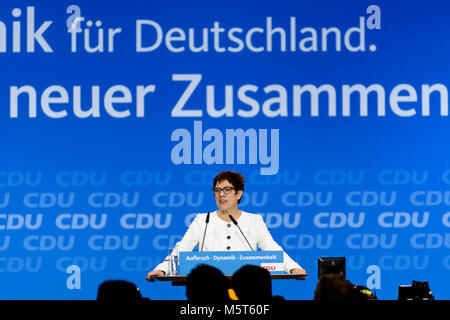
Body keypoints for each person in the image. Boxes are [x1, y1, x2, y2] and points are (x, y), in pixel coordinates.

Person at [146, 171, 306, 280]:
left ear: (239, 193)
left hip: (244, 286)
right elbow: (180, 250)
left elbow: (272, 249)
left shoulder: (254, 221)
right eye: (217, 190)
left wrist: (293, 268)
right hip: (210, 287)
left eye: (227, 189)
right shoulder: (202, 220)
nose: (221, 194)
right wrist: (162, 269)